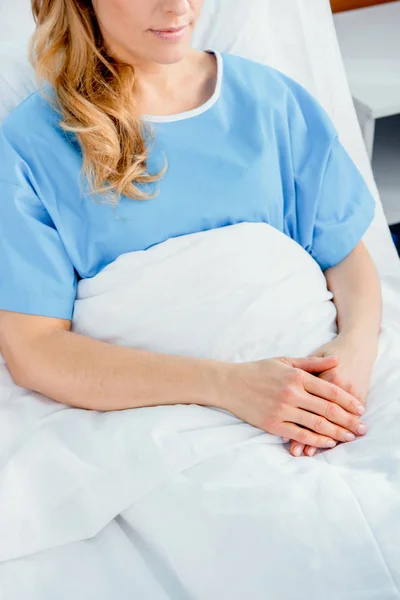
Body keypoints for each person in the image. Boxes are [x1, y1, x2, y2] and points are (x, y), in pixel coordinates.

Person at [0, 0, 381, 458]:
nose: (179, 7)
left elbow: (344, 252)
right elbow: (34, 351)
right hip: (166, 422)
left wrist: (353, 353)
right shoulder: (34, 143)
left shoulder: (269, 99)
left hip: (327, 394)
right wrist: (231, 387)